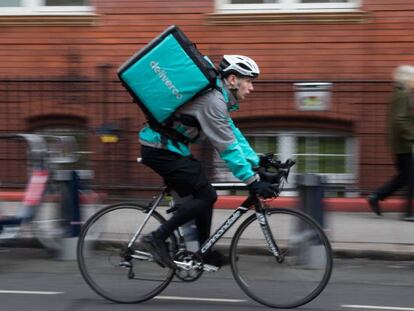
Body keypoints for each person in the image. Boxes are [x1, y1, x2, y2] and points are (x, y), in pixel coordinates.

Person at [138, 55, 276, 269]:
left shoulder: (218, 98)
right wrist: (252, 181)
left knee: (204, 193)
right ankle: (156, 238)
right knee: (206, 195)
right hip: (159, 149)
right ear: (232, 79)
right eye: (249, 81)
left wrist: (256, 160)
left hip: (172, 148)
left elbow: (232, 134)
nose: (251, 87)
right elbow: (227, 148)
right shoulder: (214, 102)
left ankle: (204, 250)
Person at [367, 65, 414, 221]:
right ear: (407, 78)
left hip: (401, 143)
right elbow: (399, 120)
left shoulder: (402, 93)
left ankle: (376, 196)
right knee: (410, 178)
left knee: (404, 177)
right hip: (405, 144)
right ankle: (408, 213)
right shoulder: (402, 94)